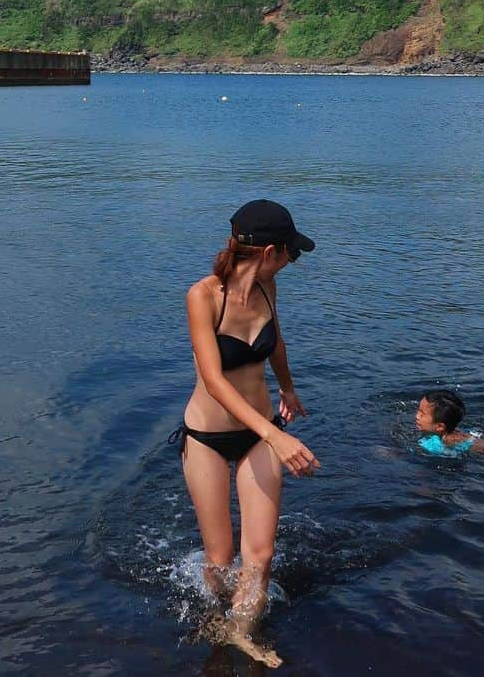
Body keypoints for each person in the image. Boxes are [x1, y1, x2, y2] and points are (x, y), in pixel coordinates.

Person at [175, 200, 320, 669]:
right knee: (219, 558)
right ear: (271, 250)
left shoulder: (267, 285)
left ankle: (239, 634)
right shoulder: (203, 297)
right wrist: (277, 437)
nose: (292, 262)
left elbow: (274, 338)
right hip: (208, 439)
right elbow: (214, 380)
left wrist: (288, 387)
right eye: (290, 253)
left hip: (260, 433)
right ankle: (217, 629)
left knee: (259, 554)